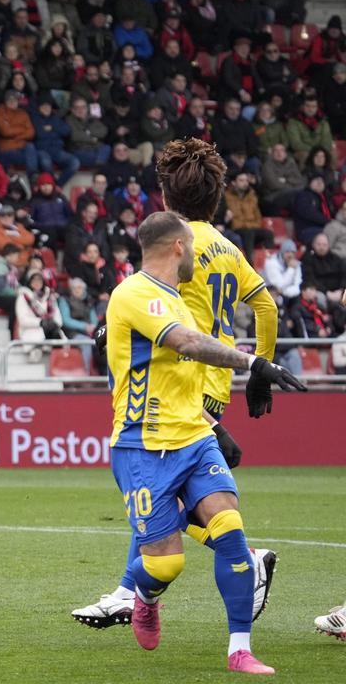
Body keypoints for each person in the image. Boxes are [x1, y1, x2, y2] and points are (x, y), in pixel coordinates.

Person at [72, 138, 281, 634]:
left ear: (165, 196)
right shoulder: (229, 246)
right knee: (161, 483)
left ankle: (244, 558)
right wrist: (260, 369)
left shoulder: (177, 245)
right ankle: (131, 589)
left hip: (177, 382)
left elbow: (164, 317)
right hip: (214, 383)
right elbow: (267, 306)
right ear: (217, 196)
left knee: (151, 477)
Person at [97, 210, 302, 674]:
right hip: (144, 445)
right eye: (192, 246)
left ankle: (240, 650)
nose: (197, 254)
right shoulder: (134, 293)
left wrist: (215, 424)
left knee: (230, 530)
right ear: (177, 247)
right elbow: (188, 344)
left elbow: (186, 368)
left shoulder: (174, 298)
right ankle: (145, 598)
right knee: (166, 567)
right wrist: (256, 364)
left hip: (194, 436)